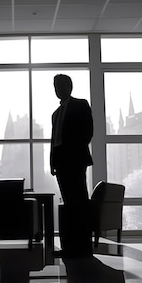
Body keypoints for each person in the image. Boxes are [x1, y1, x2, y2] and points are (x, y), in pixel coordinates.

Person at [50, 74, 94, 257]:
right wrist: (52, 162)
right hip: (61, 162)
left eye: (60, 85)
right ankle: (70, 247)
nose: (57, 89)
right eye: (55, 86)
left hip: (74, 160)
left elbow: (88, 131)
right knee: (70, 205)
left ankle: (83, 247)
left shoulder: (80, 104)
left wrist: (73, 152)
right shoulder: (56, 113)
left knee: (79, 203)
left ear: (69, 86)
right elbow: (54, 141)